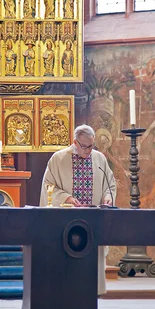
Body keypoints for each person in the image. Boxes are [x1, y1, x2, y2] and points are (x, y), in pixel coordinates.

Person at [40, 124, 117, 295]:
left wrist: (108, 197)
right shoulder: (58, 159)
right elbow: (48, 186)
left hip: (92, 218)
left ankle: (92, 292)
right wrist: (66, 198)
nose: (89, 150)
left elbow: (109, 183)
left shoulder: (99, 159)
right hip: (66, 220)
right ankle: (64, 291)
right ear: (75, 142)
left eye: (91, 146)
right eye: (84, 146)